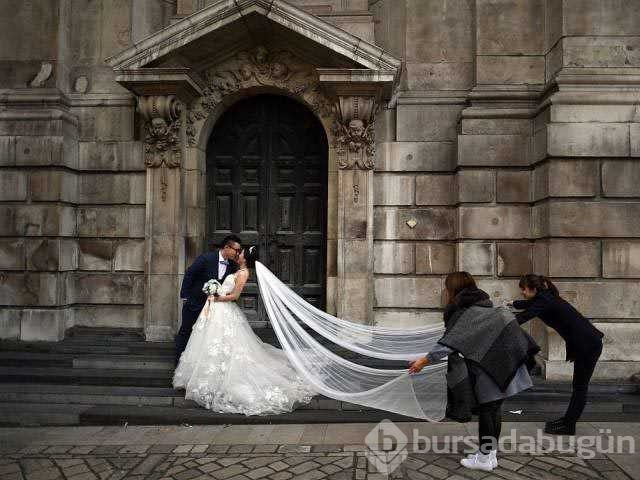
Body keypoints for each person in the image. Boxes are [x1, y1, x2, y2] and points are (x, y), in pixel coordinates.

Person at [409, 272, 539, 472]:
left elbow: (450, 342)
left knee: (488, 410)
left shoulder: (467, 312)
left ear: (453, 289)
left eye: (447, 288)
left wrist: (422, 362)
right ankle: (490, 453)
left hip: (491, 365)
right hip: (504, 361)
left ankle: (485, 459)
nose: (446, 292)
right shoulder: (485, 304)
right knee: (494, 410)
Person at [173, 246, 316, 415]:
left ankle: (221, 379)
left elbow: (235, 296)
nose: (237, 253)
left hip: (223, 309)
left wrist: (217, 296)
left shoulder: (243, 273)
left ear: (244, 258)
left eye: (240, 252)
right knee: (212, 343)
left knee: (225, 344)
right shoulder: (237, 269)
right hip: (217, 311)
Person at [513, 274, 604, 435]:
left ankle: (569, 424)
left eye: (524, 290)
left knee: (580, 387)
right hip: (589, 343)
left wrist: (502, 321)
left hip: (588, 345)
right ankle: (568, 421)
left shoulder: (544, 301)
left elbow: (525, 315)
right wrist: (512, 304)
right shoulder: (545, 297)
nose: (523, 293)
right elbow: (527, 303)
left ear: (534, 289)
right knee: (579, 386)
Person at [174, 235, 242, 366]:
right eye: (236, 250)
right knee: (186, 331)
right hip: (195, 302)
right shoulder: (206, 258)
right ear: (227, 247)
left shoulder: (233, 266)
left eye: (239, 251)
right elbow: (190, 274)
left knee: (205, 336)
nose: (237, 253)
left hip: (214, 308)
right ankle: (178, 365)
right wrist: (185, 296)